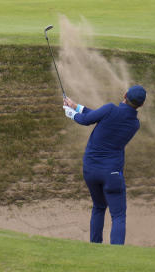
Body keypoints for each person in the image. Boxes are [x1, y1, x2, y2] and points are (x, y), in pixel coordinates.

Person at [62, 85, 147, 245]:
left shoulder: (110, 109)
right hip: (112, 174)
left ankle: (95, 248)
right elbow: (97, 116)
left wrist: (69, 112)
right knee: (118, 216)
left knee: (99, 207)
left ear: (125, 95)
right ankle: (115, 256)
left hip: (90, 170)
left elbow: (87, 120)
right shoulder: (135, 124)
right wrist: (76, 106)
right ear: (141, 105)